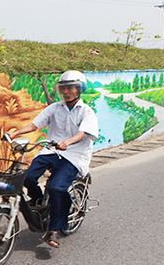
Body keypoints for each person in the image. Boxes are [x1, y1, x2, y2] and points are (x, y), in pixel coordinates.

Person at [6, 70, 98, 248]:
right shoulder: (55, 108)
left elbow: (82, 133)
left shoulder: (87, 112)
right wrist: (14, 133)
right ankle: (38, 200)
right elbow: (35, 124)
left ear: (79, 89)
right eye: (63, 88)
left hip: (74, 155)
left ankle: (54, 229)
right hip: (51, 151)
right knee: (28, 176)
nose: (66, 91)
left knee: (57, 187)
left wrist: (68, 142)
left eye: (71, 88)